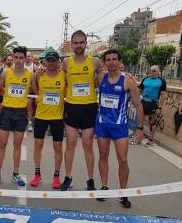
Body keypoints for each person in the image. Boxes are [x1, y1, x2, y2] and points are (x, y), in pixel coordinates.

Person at [96, 49, 144, 208]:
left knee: (122, 159)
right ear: (104, 62)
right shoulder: (101, 77)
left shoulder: (127, 81)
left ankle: (123, 193)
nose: (111, 62)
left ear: (119, 61)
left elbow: (138, 104)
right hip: (102, 124)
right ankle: (104, 186)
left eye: (114, 59)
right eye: (108, 59)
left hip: (119, 125)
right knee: (103, 155)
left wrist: (140, 128)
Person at [60, 30, 103, 191]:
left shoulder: (95, 62)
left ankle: (90, 180)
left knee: (87, 145)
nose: (78, 45)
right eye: (75, 43)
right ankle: (68, 177)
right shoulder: (66, 63)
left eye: (81, 42)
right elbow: (60, 80)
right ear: (71, 45)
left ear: (86, 43)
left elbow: (102, 81)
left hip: (89, 107)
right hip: (71, 107)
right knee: (70, 144)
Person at [0, 46, 37, 187]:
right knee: (2, 144)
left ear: (24, 59)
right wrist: (7, 94)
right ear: (13, 58)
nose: (18, 60)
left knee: (17, 145)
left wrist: (41, 74)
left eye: (21, 58)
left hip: (21, 113)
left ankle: (16, 174)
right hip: (7, 112)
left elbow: (36, 91)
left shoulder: (30, 75)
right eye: (16, 57)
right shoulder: (5, 73)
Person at [29, 51, 66, 189]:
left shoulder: (64, 75)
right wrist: (36, 81)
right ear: (45, 62)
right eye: (48, 60)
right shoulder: (40, 74)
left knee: (58, 147)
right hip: (41, 116)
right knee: (38, 145)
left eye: (53, 60)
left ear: (58, 62)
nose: (50, 63)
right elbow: (35, 88)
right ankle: (37, 175)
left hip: (57, 117)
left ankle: (56, 176)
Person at [138, 65, 167, 146]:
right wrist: (136, 101)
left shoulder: (161, 81)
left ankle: (150, 140)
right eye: (150, 70)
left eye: (153, 70)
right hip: (143, 102)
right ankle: (138, 137)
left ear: (158, 72)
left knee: (152, 122)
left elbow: (163, 95)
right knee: (140, 121)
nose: (151, 72)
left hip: (153, 104)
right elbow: (138, 90)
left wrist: (160, 107)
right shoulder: (145, 79)